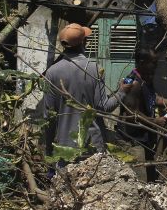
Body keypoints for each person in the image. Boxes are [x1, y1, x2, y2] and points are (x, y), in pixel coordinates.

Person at [43, 23, 129, 159]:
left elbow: (49, 116)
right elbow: (103, 107)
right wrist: (121, 92)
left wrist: (48, 149)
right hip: (92, 146)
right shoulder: (94, 68)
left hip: (64, 150)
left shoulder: (52, 72)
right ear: (84, 42)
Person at [115, 48, 167, 181]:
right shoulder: (133, 83)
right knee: (138, 181)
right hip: (132, 140)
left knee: (150, 178)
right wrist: (155, 121)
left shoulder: (146, 78)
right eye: (153, 63)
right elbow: (131, 113)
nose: (156, 66)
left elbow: (154, 99)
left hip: (144, 138)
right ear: (142, 62)